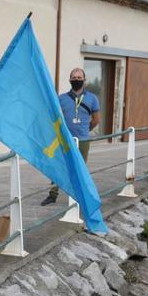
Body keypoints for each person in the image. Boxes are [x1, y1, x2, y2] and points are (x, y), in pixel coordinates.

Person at [43, 67, 102, 205]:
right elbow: (54, 117)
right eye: (74, 78)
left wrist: (84, 131)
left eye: (79, 78)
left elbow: (96, 120)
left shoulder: (92, 98)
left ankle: (79, 197)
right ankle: (52, 195)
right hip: (64, 139)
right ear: (70, 80)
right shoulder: (61, 99)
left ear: (84, 80)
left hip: (82, 140)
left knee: (80, 169)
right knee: (58, 166)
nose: (76, 80)